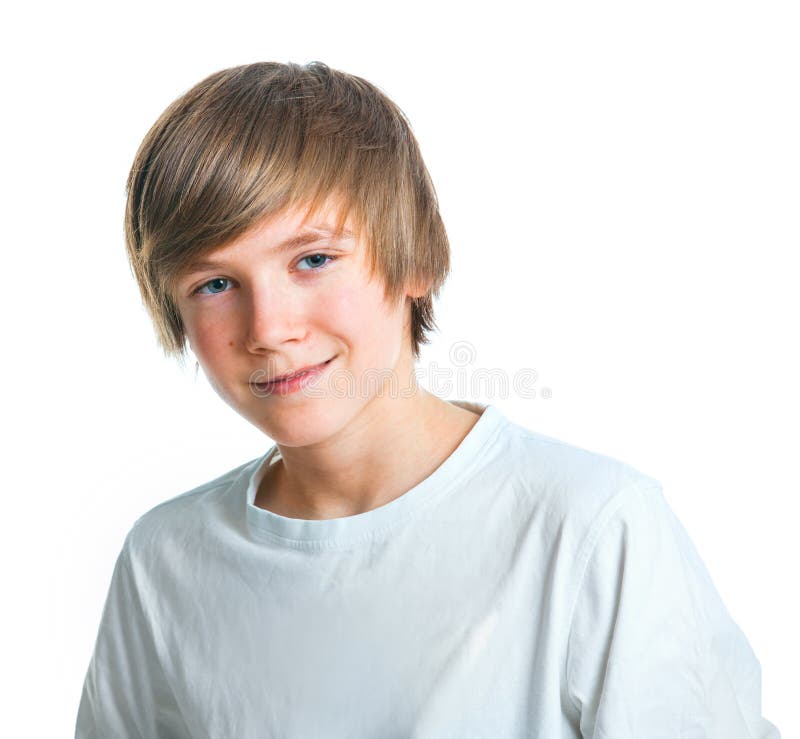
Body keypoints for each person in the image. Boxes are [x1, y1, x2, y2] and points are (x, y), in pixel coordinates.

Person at [75, 61, 781, 738]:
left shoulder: (592, 529)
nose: (269, 328)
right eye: (215, 284)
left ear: (415, 261)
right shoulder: (163, 560)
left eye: (313, 259)